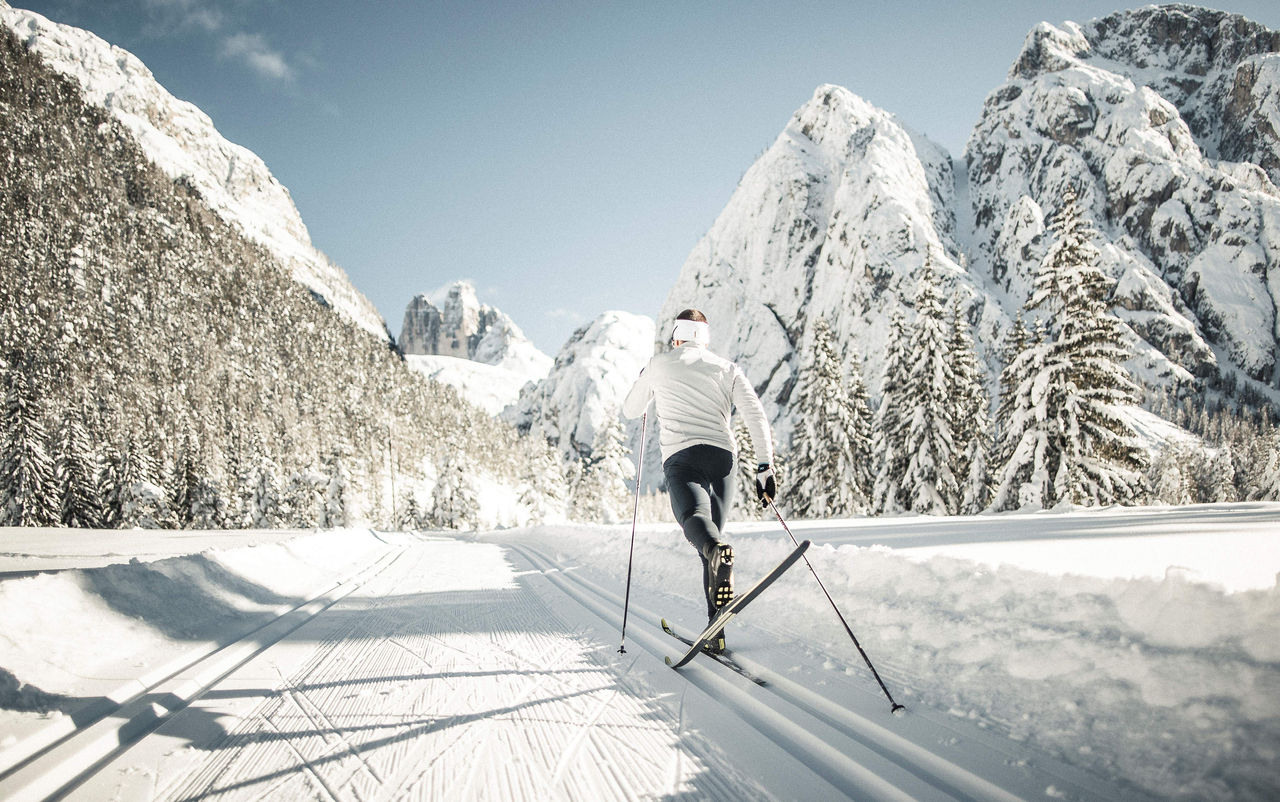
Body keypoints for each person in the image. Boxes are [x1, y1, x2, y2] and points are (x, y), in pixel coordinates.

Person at [622, 308, 778, 653]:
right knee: (714, 544)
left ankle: (716, 617)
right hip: (723, 459)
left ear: (676, 336)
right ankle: (715, 629)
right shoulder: (727, 368)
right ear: (704, 338)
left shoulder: (660, 363)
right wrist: (765, 466)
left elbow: (631, 409)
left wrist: (644, 378)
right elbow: (755, 414)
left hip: (683, 459)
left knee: (699, 529)